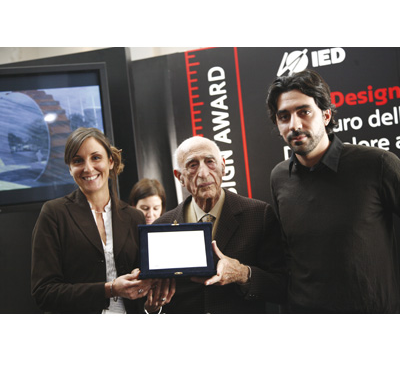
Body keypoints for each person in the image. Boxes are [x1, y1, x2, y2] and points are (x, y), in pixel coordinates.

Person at [267, 69, 400, 313]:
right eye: (284, 116)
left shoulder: (378, 164)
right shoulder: (279, 177)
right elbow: (287, 257)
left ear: (326, 115)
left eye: (304, 112)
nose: (294, 125)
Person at [31, 127, 174, 313]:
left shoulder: (134, 217)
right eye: (78, 160)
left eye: (96, 157)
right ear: (70, 168)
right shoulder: (54, 214)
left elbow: (142, 291)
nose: (88, 168)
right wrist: (110, 289)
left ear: (111, 161)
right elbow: (44, 292)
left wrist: (150, 305)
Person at [152, 135, 286, 314]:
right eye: (193, 165)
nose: (203, 173)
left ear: (223, 167)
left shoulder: (259, 215)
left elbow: (281, 286)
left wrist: (242, 273)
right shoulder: (162, 227)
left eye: (210, 162)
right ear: (180, 177)